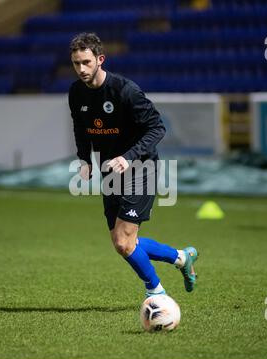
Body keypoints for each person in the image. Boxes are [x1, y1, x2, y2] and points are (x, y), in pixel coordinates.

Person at [68, 32, 198, 297]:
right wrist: (85, 158)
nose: (81, 69)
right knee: (124, 241)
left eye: (86, 62)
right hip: (110, 172)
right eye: (76, 63)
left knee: (123, 243)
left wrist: (127, 157)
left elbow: (157, 128)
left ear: (100, 59)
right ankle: (182, 258)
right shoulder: (76, 93)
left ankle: (157, 294)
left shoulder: (126, 91)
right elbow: (81, 128)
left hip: (141, 168)